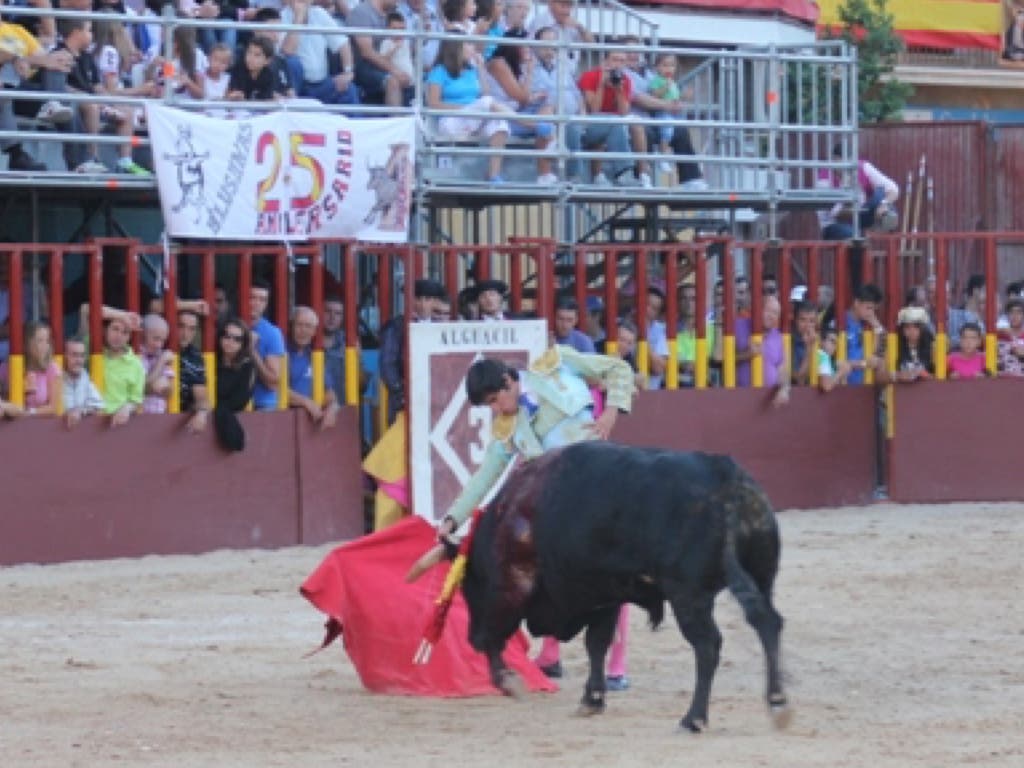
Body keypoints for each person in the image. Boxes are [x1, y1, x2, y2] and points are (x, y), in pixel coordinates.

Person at [408, 346, 636, 676]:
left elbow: (618, 370)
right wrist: (453, 517)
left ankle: (617, 664)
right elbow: (485, 475)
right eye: (489, 405)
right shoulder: (507, 427)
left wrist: (611, 412)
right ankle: (550, 654)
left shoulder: (556, 364)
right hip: (559, 505)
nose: (496, 409)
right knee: (549, 570)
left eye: (494, 400)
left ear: (508, 381)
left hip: (599, 484)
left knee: (614, 571)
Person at [426, 34, 510, 183]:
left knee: (500, 125)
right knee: (486, 103)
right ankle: (528, 122)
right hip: (451, 120)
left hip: (474, 116)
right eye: (469, 44)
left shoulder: (471, 70)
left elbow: (485, 93)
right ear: (456, 48)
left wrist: (481, 68)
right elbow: (433, 103)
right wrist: (465, 108)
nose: (473, 48)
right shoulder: (439, 71)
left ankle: (493, 175)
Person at [818, 145, 899, 241]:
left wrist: (883, 204)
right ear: (835, 160)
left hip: (860, 214)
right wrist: (849, 197)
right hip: (835, 224)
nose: (848, 167)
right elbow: (837, 214)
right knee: (853, 236)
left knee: (883, 197)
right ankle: (869, 232)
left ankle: (883, 222)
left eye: (850, 162)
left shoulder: (863, 167)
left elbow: (893, 189)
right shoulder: (824, 179)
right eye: (844, 162)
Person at [286, 306, 340, 428]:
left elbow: (329, 392)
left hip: (311, 425)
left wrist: (332, 407)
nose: (303, 331)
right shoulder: (282, 353)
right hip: (285, 421)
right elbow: (276, 389)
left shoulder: (315, 356)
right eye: (299, 325)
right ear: (291, 327)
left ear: (315, 331)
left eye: (308, 326)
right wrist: (306, 403)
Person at [0, 320, 60, 415]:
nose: (45, 346)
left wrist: (28, 413)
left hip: (38, 424)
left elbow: (53, 407)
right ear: (27, 343)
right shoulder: (7, 367)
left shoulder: (51, 368)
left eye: (47, 341)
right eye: (40, 341)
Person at [213, 317, 256, 451]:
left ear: (243, 343)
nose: (230, 342)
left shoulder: (247, 366)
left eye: (237, 339)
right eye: (227, 336)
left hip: (224, 413)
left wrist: (216, 406)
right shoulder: (210, 361)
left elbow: (239, 401)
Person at [248, 278, 285, 411]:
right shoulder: (231, 326)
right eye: (252, 297)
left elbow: (272, 383)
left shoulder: (272, 333)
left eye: (262, 299)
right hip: (232, 402)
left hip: (262, 404)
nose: (256, 304)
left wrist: (252, 352)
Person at [62, 336, 105, 426]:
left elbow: (99, 406)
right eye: (74, 355)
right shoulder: (56, 378)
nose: (79, 360)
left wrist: (81, 411)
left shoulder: (85, 379)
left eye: (81, 355)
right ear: (65, 356)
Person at [138, 313, 174, 414]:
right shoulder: (137, 355)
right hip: (139, 417)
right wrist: (161, 362)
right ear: (142, 335)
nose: (159, 345)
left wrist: (157, 387)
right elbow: (142, 388)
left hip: (159, 415)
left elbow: (170, 392)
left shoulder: (162, 354)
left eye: (162, 340)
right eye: (156, 338)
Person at [892, 306, 934, 383]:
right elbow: (883, 376)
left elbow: (941, 379)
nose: (911, 331)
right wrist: (899, 375)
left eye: (916, 327)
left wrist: (926, 375)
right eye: (907, 327)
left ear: (922, 329)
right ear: (902, 329)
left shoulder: (933, 348)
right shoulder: (893, 347)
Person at [997, 297, 1024, 377]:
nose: (1015, 316)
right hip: (1004, 379)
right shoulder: (999, 334)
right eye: (1011, 312)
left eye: (1019, 312)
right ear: (1007, 315)